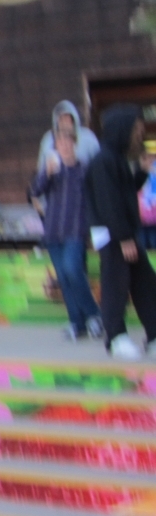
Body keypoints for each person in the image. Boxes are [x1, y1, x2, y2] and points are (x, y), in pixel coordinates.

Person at [84, 104, 156, 361]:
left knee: (145, 283)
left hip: (123, 233)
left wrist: (142, 172)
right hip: (114, 236)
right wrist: (124, 237)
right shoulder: (103, 161)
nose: (140, 134)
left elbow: (124, 192)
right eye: (136, 129)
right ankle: (115, 337)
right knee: (115, 284)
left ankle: (154, 334)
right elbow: (108, 203)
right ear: (122, 130)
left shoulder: (116, 159)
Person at [30, 128, 103, 341]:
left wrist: (94, 227)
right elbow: (34, 192)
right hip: (53, 231)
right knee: (63, 277)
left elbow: (94, 198)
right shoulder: (51, 169)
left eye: (67, 141)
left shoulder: (84, 169)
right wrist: (46, 173)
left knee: (73, 270)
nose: (63, 146)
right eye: (59, 143)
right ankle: (77, 323)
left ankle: (93, 314)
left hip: (75, 230)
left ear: (74, 143)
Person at [37, 100, 101, 173]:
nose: (65, 122)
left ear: (74, 118)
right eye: (61, 119)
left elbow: (98, 164)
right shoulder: (48, 139)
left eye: (68, 118)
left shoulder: (88, 137)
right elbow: (41, 169)